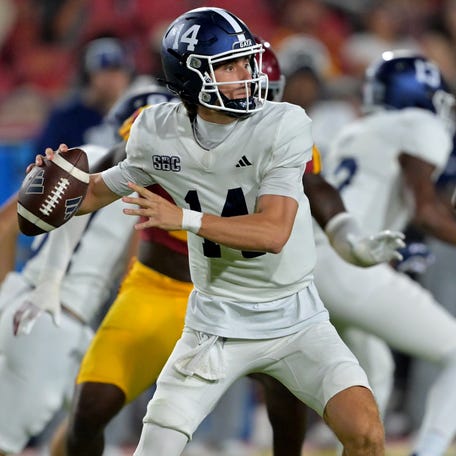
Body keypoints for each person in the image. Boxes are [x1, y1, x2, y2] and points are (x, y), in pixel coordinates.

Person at [31, 7, 404, 455]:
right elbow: (99, 191)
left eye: (246, 61)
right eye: (229, 64)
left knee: (365, 432)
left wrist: (184, 220)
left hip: (297, 318)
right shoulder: (157, 129)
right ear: (191, 77)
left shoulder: (282, 124)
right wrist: (55, 189)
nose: (248, 73)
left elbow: (274, 231)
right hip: (215, 324)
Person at [0, 84, 175, 456]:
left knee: (84, 423)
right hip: (57, 315)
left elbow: (5, 223)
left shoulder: (86, 155)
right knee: (7, 442)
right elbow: (135, 265)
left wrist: (7, 292)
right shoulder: (148, 180)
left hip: (32, 303)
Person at [313, 50, 456, 456]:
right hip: (352, 267)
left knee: (374, 373)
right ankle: (426, 451)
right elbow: (426, 210)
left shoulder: (354, 130)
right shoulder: (420, 124)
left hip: (315, 263)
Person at [33, 36, 134, 154]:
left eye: (116, 71)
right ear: (87, 77)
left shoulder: (136, 114)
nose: (110, 79)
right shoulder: (66, 118)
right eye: (103, 72)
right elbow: (44, 162)